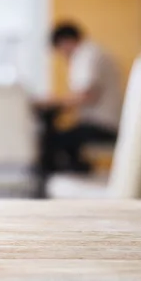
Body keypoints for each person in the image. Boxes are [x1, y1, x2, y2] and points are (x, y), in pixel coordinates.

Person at [37, 22, 123, 174]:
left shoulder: (87, 55)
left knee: (51, 141)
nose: (62, 54)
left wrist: (54, 101)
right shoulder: (91, 53)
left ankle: (58, 183)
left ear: (66, 41)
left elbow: (86, 96)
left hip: (102, 125)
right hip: (101, 123)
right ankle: (78, 172)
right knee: (61, 139)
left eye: (60, 49)